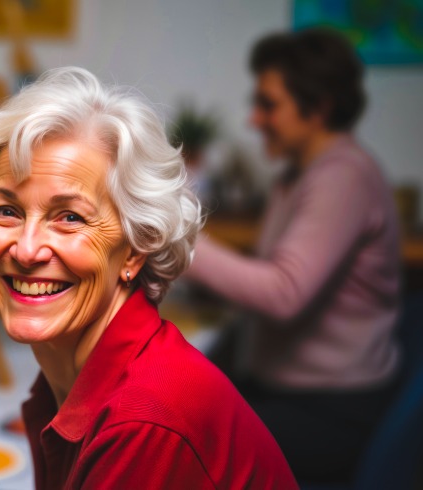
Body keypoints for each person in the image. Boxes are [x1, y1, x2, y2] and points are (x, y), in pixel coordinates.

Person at [0, 67, 297, 489]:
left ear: (135, 248)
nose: (26, 250)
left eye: (70, 217)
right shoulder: (69, 377)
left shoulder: (142, 419)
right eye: (6, 211)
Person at [183, 29, 403, 484]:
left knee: (180, 443)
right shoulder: (297, 177)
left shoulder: (344, 176)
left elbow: (284, 293)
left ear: (318, 107)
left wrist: (174, 237)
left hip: (331, 407)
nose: (254, 119)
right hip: (286, 389)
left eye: (268, 105)